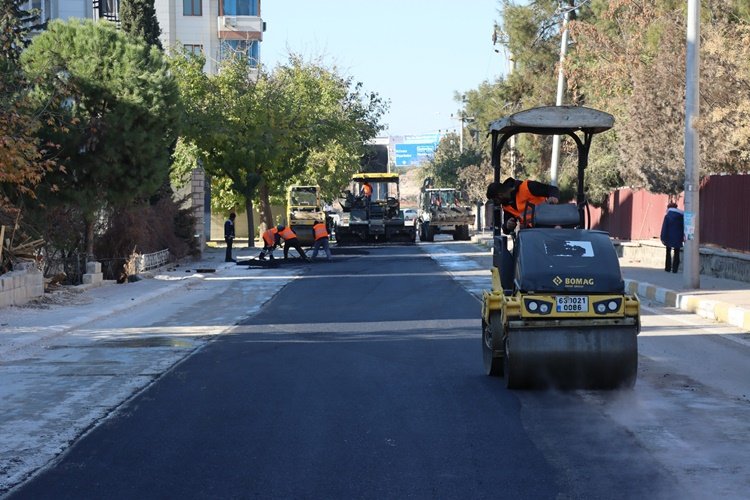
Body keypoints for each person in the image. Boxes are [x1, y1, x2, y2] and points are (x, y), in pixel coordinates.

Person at [486, 177, 560, 234]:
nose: (497, 204)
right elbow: (506, 229)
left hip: (551, 225)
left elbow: (552, 189)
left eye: (495, 201)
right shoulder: (506, 207)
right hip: (531, 234)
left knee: (558, 229)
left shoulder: (527, 187)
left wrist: (553, 197)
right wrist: (507, 225)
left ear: (500, 195)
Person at [660, 201, 684, 273]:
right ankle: (675, 269)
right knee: (677, 252)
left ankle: (667, 268)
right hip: (678, 237)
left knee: (668, 252)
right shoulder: (681, 216)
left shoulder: (667, 216)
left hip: (668, 237)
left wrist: (663, 237)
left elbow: (664, 228)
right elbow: (683, 226)